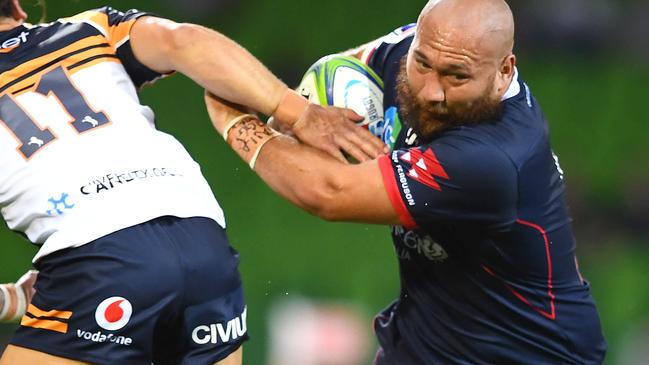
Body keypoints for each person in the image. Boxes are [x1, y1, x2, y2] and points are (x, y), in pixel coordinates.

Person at [205, 0, 608, 363]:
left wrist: (233, 119)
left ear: (505, 71)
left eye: (456, 77)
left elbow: (328, 193)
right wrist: (301, 109)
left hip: (527, 355)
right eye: (423, 64)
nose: (431, 90)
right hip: (428, 343)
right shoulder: (430, 46)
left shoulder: (494, 156)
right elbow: (348, 65)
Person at [0, 0, 385, 364]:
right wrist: (300, 114)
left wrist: (11, 301)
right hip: (202, 243)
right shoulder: (89, 29)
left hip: (98, 260)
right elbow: (184, 40)